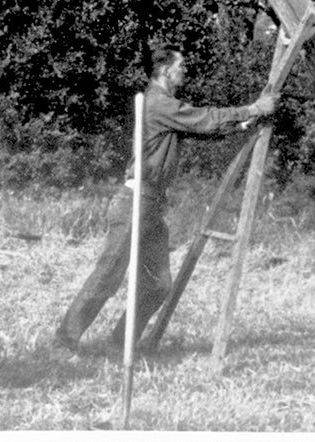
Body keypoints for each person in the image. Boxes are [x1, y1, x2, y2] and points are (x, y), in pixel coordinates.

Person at [55, 42, 278, 356]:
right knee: (108, 275)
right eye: (180, 65)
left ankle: (121, 343)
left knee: (158, 284)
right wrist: (254, 108)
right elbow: (204, 118)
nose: (184, 70)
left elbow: (204, 128)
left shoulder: (167, 107)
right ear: (164, 70)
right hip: (135, 202)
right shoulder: (158, 103)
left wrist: (244, 123)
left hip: (152, 204)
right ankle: (63, 343)